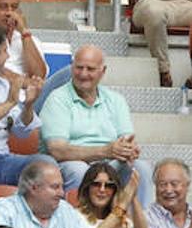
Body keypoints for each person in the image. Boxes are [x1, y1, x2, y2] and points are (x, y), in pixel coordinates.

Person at [40, 45, 152, 204]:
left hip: (110, 164)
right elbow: (57, 150)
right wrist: (105, 151)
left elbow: (126, 140)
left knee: (141, 169)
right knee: (79, 171)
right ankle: (80, 225)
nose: (83, 74)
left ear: (102, 71)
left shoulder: (115, 99)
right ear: (72, 67)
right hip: (70, 164)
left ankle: (139, 227)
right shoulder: (57, 99)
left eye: (90, 69)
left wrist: (129, 150)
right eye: (79, 67)